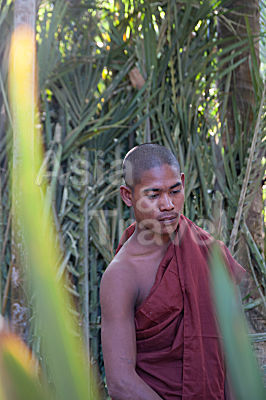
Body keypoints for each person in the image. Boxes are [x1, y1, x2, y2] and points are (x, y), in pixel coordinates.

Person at [100, 144, 245, 400]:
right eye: (153, 195)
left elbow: (234, 355)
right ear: (127, 195)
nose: (167, 205)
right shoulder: (121, 275)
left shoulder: (211, 253)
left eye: (174, 191)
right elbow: (121, 382)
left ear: (183, 183)